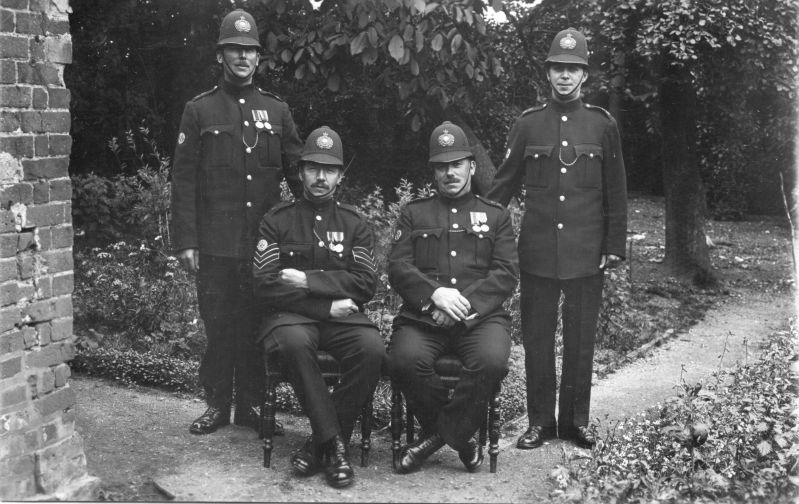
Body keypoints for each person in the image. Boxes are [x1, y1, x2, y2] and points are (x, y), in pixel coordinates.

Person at [487, 28, 628, 450]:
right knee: (538, 339)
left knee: (581, 338)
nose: (565, 76)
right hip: (538, 251)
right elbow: (502, 188)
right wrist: (485, 237)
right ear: (548, 73)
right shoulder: (529, 124)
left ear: (584, 75)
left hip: (587, 251)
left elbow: (616, 191)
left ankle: (576, 421)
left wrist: (614, 247)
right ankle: (539, 423)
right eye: (558, 69)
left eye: (573, 69)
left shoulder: (602, 125)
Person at [170, 9, 303, 435]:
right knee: (220, 325)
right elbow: (184, 181)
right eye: (235, 49)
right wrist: (187, 241)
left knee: (258, 326)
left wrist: (306, 236)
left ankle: (251, 407)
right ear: (222, 55)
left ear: (258, 57)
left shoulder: (276, 112)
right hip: (215, 244)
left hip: (264, 247)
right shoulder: (200, 110)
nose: (243, 57)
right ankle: (217, 405)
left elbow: (300, 176)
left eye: (250, 50)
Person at [252, 126, 384, 488]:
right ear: (300, 172)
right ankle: (336, 448)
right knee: (293, 344)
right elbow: (265, 285)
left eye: (328, 170)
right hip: (295, 318)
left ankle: (317, 445)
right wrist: (325, 308)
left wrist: (308, 280)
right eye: (313, 168)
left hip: (343, 318)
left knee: (372, 350)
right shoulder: (277, 220)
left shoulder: (354, 223)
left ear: (340, 176)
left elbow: (365, 283)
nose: (320, 177)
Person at [387, 121, 519, 474]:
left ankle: (433, 440)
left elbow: (506, 272)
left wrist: (462, 306)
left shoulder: (496, 215)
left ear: (471, 167)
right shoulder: (414, 213)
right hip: (424, 318)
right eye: (442, 166)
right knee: (402, 359)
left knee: (491, 360)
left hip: (479, 319)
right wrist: (434, 296)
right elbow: (398, 265)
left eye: (456, 164)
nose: (450, 173)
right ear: (433, 171)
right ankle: (463, 437)